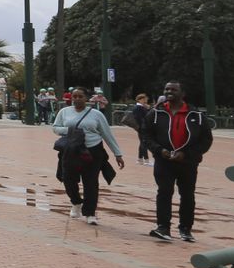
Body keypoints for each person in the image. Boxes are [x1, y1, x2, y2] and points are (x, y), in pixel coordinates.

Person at [141, 81, 214, 243]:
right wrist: (160, 150)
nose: (169, 92)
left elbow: (206, 140)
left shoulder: (197, 116)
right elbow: (146, 136)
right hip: (164, 161)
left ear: (183, 93)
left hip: (187, 162)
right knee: (164, 192)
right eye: (166, 89)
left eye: (173, 89)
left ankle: (185, 229)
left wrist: (187, 154)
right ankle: (163, 227)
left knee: (187, 195)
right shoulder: (155, 113)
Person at [52, 85, 125, 225]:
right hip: (71, 151)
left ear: (87, 98)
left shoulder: (96, 114)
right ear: (71, 98)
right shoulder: (64, 112)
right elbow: (55, 128)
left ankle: (90, 213)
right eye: (75, 96)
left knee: (90, 182)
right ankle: (76, 202)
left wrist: (117, 153)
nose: (77, 99)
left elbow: (107, 134)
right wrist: (71, 130)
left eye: (80, 96)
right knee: (68, 179)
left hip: (93, 151)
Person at [125, 92, 153, 165]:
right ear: (140, 100)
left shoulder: (142, 107)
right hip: (142, 128)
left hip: (142, 128)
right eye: (145, 99)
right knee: (144, 143)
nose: (146, 100)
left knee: (142, 143)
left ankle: (140, 159)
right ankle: (146, 160)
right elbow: (141, 118)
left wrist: (148, 108)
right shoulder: (138, 107)